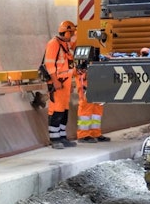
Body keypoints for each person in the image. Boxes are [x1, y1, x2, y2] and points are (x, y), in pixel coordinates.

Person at [44, 20, 79, 149]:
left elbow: (68, 66)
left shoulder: (65, 45)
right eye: (72, 33)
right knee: (56, 110)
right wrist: (55, 81)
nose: (73, 35)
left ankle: (62, 137)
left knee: (64, 110)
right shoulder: (54, 44)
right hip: (58, 83)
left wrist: (70, 84)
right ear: (66, 32)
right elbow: (49, 64)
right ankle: (55, 139)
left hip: (65, 83)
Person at [75, 67, 110, 143]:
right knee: (86, 106)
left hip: (96, 76)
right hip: (85, 77)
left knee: (97, 107)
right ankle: (83, 135)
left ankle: (95, 133)